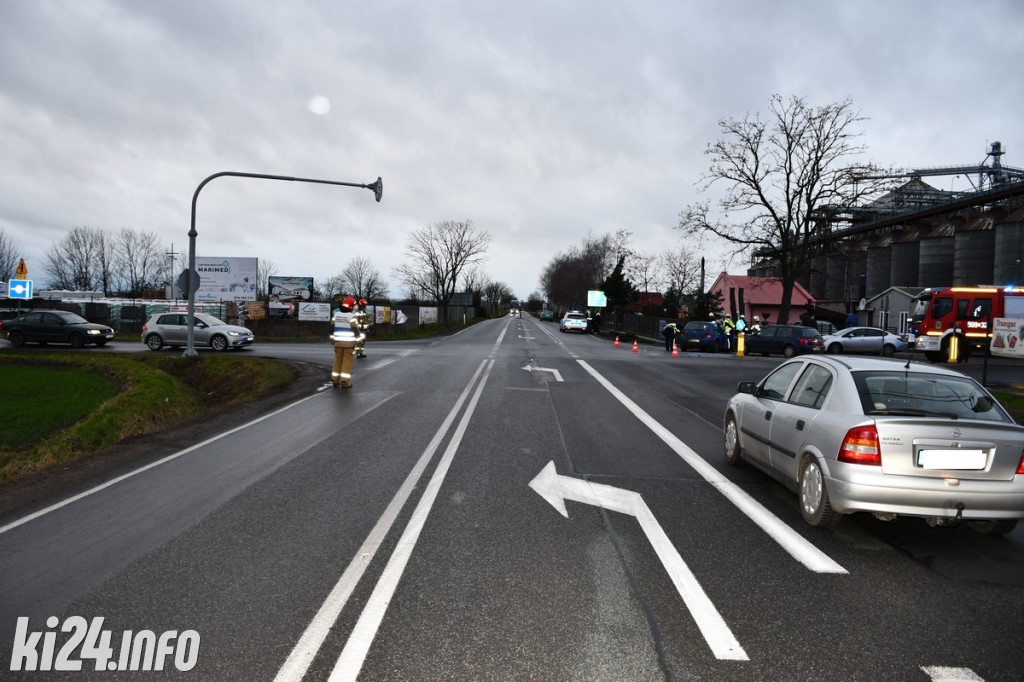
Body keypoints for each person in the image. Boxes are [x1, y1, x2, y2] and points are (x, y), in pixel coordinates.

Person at [330, 296, 362, 389]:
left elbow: (331, 329)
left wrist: (332, 340)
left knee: (337, 361)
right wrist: (359, 341)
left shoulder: (336, 315)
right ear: (351, 306)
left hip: (337, 343)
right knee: (347, 362)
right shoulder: (352, 316)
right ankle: (345, 382)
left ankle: (335, 380)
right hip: (349, 344)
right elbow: (355, 330)